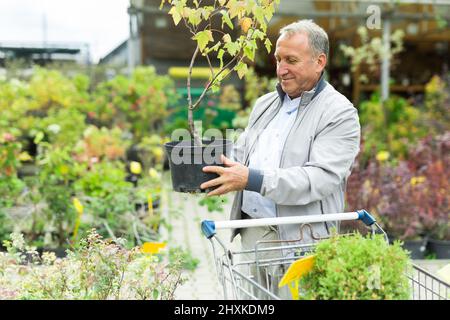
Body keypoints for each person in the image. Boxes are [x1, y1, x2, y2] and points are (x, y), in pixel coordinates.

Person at [200, 19, 361, 299]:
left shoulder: (339, 113)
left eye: (291, 60)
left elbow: (318, 179)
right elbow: (241, 153)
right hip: (252, 236)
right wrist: (201, 163)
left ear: (319, 61)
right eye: (278, 59)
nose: (281, 69)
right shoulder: (266, 104)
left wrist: (252, 179)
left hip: (298, 241)